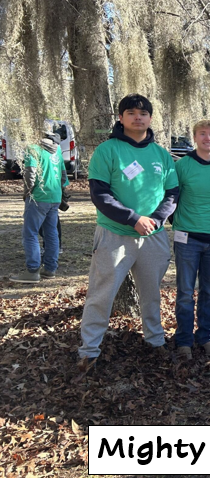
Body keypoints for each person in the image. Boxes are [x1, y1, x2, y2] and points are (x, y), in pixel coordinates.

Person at [78, 94, 179, 368]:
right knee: (101, 294)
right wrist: (133, 218)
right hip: (114, 235)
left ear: (150, 118)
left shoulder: (161, 154)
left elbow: (172, 193)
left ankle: (155, 341)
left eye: (143, 113)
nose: (138, 117)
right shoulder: (107, 150)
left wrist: (156, 219)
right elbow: (100, 194)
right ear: (121, 118)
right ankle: (89, 351)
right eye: (131, 112)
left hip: (153, 237)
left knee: (152, 294)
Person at [172, 120, 210, 360]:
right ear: (195, 138)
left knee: (208, 292)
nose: (207, 138)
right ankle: (184, 341)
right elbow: (172, 197)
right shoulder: (183, 166)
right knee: (185, 292)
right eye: (202, 134)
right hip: (187, 238)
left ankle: (205, 338)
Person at [10, 132, 67, 283]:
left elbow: (30, 173)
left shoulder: (33, 148)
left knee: (30, 233)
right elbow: (63, 175)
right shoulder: (57, 149)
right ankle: (49, 269)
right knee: (51, 233)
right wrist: (60, 192)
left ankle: (33, 270)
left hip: (38, 196)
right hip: (54, 196)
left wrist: (27, 192)